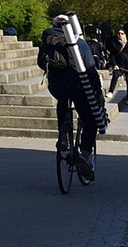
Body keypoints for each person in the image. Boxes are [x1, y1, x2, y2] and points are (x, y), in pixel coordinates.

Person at [39, 13, 106, 178]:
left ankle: (63, 134)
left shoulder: (48, 42)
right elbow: (90, 70)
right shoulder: (80, 43)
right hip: (79, 87)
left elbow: (41, 62)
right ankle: (84, 154)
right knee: (90, 120)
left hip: (56, 86)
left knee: (62, 102)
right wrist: (98, 94)